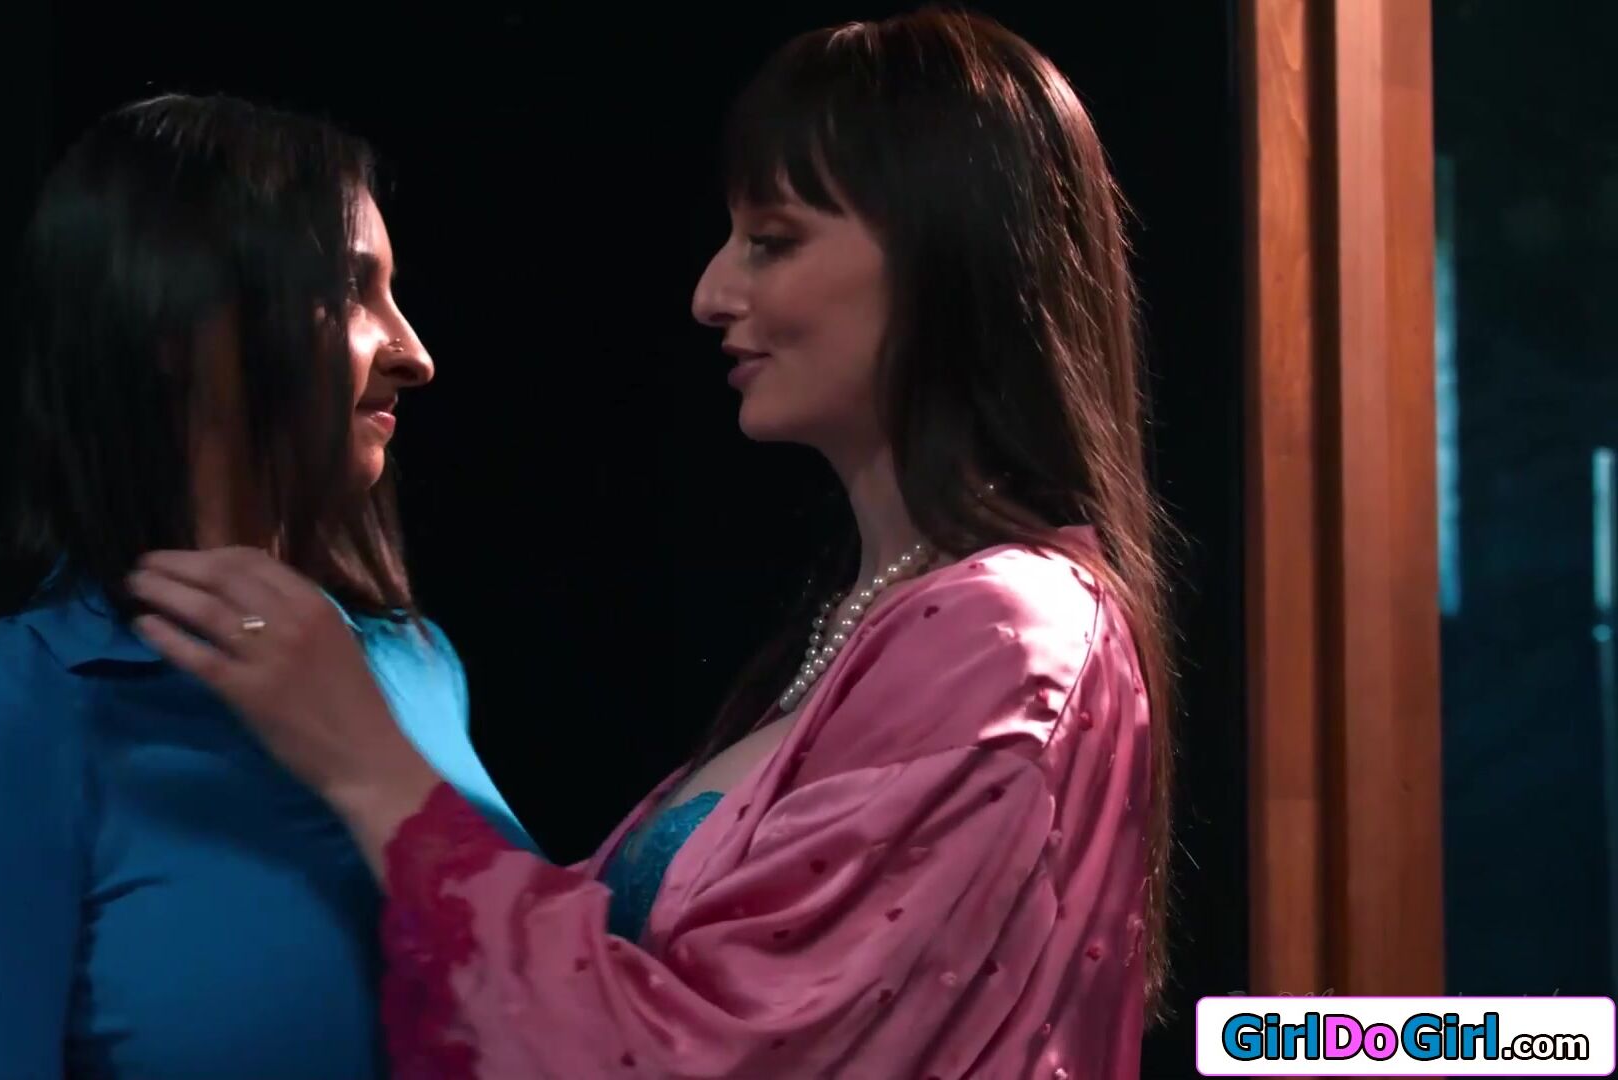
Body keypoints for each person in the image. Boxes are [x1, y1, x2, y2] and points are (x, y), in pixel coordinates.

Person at [131, 8, 1174, 1077]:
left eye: (772, 241)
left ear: (945, 257)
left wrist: (372, 770)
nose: (711, 293)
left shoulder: (1005, 632)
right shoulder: (877, 626)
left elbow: (712, 1054)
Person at [0, 93, 533, 1080]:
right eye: (350, 292)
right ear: (177, 319)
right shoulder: (2, 722)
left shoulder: (419, 669)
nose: (415, 355)